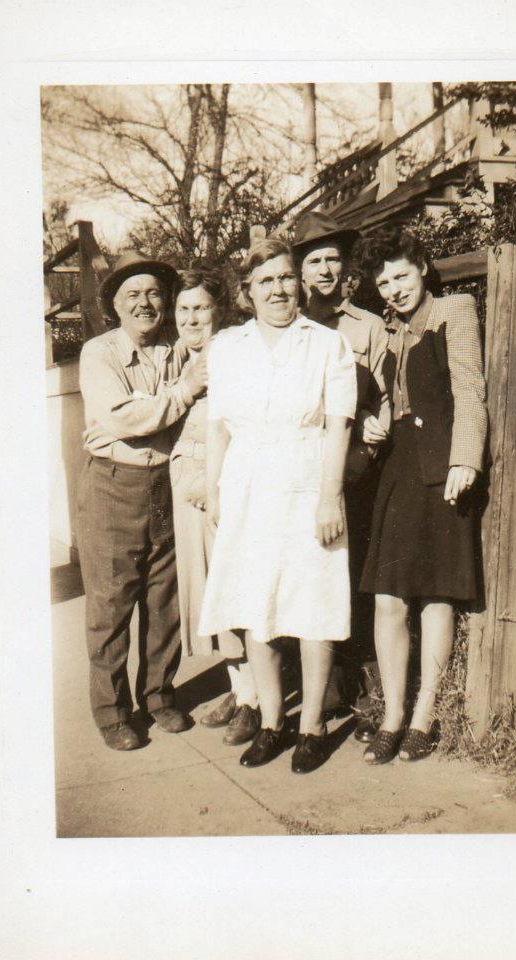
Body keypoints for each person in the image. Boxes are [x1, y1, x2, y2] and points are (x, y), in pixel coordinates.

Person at [198, 237, 357, 774]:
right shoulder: (227, 347)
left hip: (308, 482)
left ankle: (311, 724)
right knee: (255, 605)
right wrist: (215, 491)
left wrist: (329, 498)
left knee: (313, 604)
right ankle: (271, 722)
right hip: (247, 487)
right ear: (248, 291)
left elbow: (339, 427)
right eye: (265, 281)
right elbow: (218, 428)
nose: (278, 289)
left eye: (286, 277)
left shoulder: (327, 345)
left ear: (300, 283)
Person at [354, 224, 488, 764]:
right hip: (397, 470)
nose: (394, 289)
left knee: (435, 596)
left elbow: (470, 388)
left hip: (442, 467)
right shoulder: (389, 332)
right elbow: (387, 399)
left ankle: (423, 716)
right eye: (384, 283)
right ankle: (392, 715)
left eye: (401, 276)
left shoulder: (454, 311)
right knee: (388, 598)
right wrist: (372, 422)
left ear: (423, 268)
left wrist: (465, 458)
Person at [76, 251, 207, 751]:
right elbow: (124, 419)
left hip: (166, 483)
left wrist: (174, 392)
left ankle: (159, 696)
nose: (145, 303)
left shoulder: (178, 347)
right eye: (132, 294)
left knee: (164, 600)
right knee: (111, 606)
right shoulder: (98, 353)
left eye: (153, 292)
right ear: (115, 304)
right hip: (114, 484)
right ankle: (112, 713)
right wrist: (185, 390)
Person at [292, 210, 391, 717]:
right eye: (315, 261)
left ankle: (361, 684)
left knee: (353, 575)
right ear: (300, 271)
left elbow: (385, 396)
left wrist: (372, 430)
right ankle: (314, 686)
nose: (326, 270)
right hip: (297, 474)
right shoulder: (287, 325)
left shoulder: (367, 326)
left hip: (352, 473)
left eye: (333, 259)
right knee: (303, 576)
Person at [169, 266, 259, 746]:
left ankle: (255, 700)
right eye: (183, 309)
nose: (191, 318)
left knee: (235, 591)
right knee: (210, 594)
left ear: (219, 309)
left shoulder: (233, 351)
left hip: (219, 489)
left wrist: (218, 485)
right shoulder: (179, 358)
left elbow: (243, 425)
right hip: (187, 491)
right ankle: (239, 688)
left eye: (201, 307)